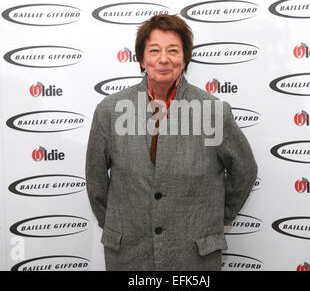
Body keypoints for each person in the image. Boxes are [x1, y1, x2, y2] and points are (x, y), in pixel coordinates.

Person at [85, 14, 258, 271]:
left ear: (185, 58)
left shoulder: (213, 112)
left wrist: (215, 218)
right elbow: (96, 181)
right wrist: (119, 225)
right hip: (129, 257)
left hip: (194, 257)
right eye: (154, 50)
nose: (164, 59)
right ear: (142, 59)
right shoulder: (109, 111)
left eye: (173, 50)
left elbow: (244, 170)